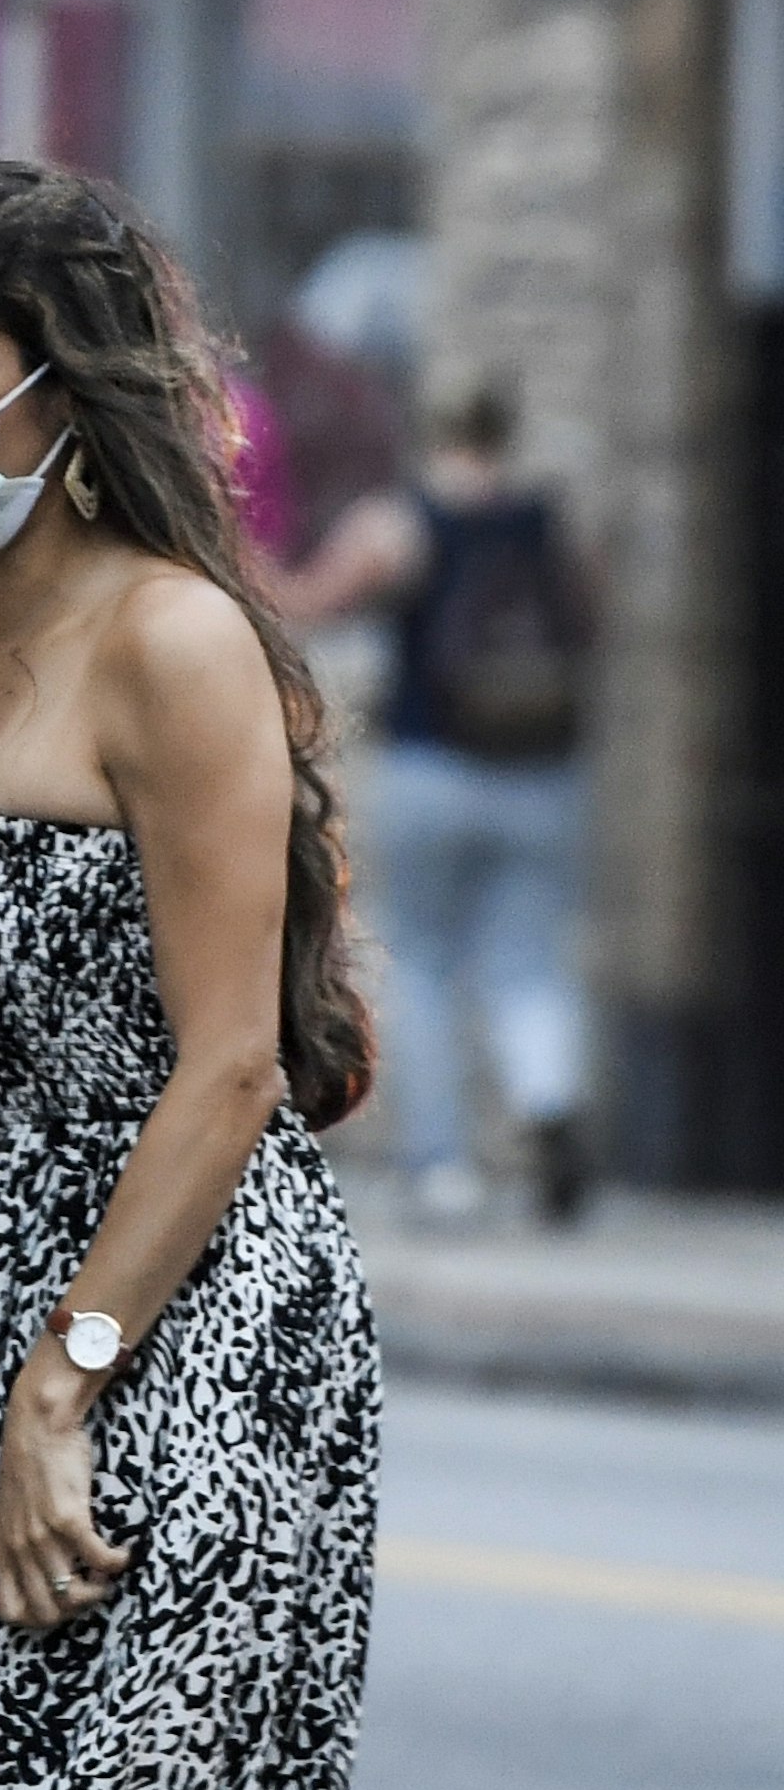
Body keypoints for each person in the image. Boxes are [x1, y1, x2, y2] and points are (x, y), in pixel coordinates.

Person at [0, 158, 380, 1790]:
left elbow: (230, 1067)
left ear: (64, 388)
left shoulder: (173, 641)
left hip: (183, 1322)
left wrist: (70, 1379)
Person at [286, 378, 594, 1224]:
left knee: (420, 963)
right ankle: (548, 1099)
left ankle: (441, 1169)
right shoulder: (547, 523)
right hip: (542, 774)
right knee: (529, 963)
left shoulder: (399, 522)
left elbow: (310, 603)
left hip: (432, 769)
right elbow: (586, 621)